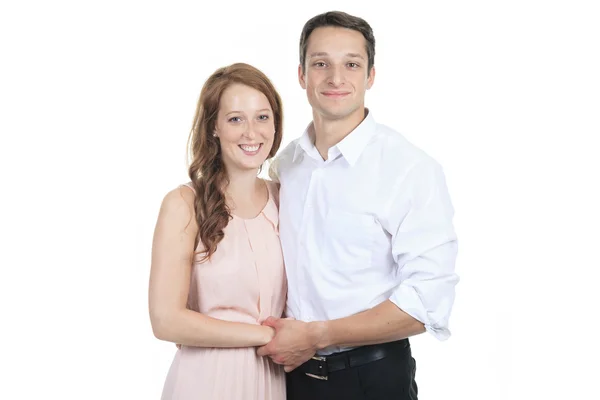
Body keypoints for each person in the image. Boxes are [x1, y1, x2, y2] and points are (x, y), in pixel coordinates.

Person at [259, 11, 459, 400]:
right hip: (290, 378)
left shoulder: (409, 168)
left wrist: (318, 335)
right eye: (321, 64)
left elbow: (425, 305)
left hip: (372, 378)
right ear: (301, 75)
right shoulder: (286, 164)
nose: (336, 78)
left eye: (351, 64)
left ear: (370, 76)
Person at [149, 62, 287, 400]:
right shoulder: (184, 203)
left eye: (262, 117)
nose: (251, 132)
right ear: (214, 127)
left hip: (273, 382)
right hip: (206, 382)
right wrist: (267, 337)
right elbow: (166, 320)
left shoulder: (285, 198)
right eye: (236, 118)